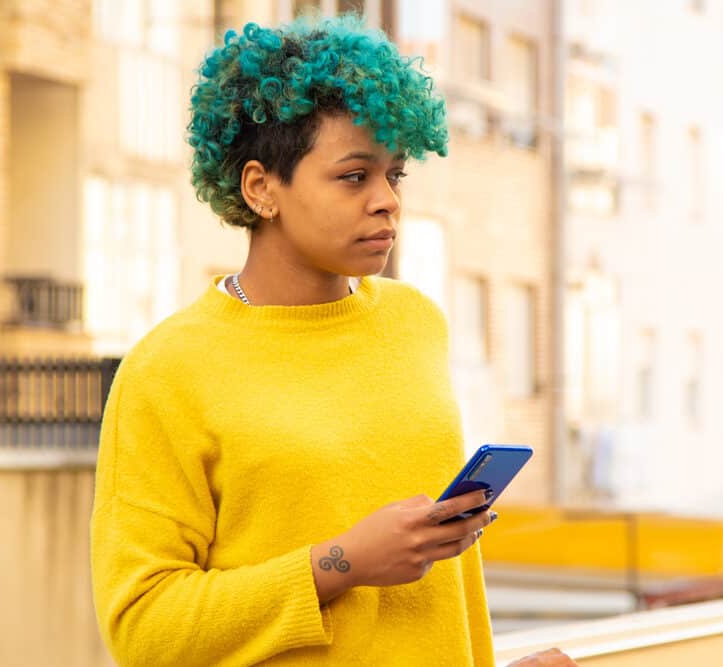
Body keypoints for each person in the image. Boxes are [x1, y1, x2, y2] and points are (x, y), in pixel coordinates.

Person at [90, 13, 577, 667]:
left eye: (394, 175)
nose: (387, 201)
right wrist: (341, 562)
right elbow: (142, 628)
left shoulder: (415, 324)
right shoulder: (169, 369)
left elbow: (430, 605)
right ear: (262, 188)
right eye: (354, 176)